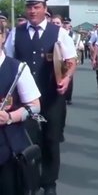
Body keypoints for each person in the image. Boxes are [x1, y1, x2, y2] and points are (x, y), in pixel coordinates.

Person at [5, 0, 77, 195]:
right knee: (28, 141)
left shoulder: (59, 33)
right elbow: (9, 63)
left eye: (36, 7)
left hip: (52, 96)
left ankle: (49, 182)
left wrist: (67, 77)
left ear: (45, 9)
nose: (32, 11)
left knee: (51, 139)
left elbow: (71, 61)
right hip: (25, 100)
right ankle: (31, 181)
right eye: (29, 7)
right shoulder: (15, 34)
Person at [0, 22, 42, 195]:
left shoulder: (17, 68)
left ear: (2, 37)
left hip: (7, 149)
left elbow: (35, 107)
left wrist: (10, 117)